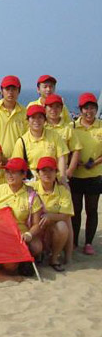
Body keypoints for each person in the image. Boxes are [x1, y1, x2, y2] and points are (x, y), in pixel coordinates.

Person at [0, 158, 44, 271]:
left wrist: (29, 234)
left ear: (23, 174)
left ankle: (19, 258)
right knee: (8, 266)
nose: (10, 175)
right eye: (7, 172)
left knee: (36, 247)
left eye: (14, 172)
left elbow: (36, 224)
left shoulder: (31, 195)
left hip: (20, 236)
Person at [71, 93, 102, 255]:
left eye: (92, 108)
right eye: (85, 108)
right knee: (75, 210)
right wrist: (73, 162)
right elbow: (67, 147)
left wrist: (95, 162)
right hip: (76, 175)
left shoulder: (101, 126)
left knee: (92, 210)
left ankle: (88, 243)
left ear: (96, 109)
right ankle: (74, 241)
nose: (89, 111)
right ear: (80, 109)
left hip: (94, 175)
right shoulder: (73, 126)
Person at [33, 157, 74, 271]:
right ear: (38, 173)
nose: (47, 174)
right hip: (35, 228)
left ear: (56, 172)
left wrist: (50, 216)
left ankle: (54, 258)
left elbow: (66, 215)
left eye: (51, 170)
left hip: (51, 230)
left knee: (63, 226)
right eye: (43, 170)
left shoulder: (63, 191)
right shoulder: (31, 187)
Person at [12, 105, 69, 183]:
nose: (36, 120)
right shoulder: (22, 141)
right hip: (31, 182)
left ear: (45, 120)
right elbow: (17, 165)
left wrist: (62, 178)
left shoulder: (55, 136)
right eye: (33, 117)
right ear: (28, 120)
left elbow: (61, 157)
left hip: (52, 180)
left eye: (40, 117)